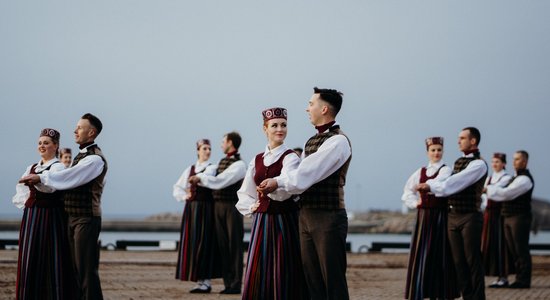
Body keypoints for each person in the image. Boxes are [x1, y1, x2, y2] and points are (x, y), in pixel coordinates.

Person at [258, 87, 352, 300]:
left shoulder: (338, 141)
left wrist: (276, 182)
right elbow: (300, 176)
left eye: (311, 104)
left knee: (332, 278)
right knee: (311, 278)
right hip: (306, 214)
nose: (307, 108)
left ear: (324, 108)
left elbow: (305, 175)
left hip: (328, 216)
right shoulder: (311, 141)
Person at [20, 113, 108, 300]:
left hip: (86, 218)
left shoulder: (95, 159)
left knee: (86, 270)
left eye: (80, 127)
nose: (75, 130)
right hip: (73, 218)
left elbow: (69, 177)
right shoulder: (82, 155)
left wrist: (41, 177)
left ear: (91, 132)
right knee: (74, 268)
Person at [236, 107, 308, 299]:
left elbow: (288, 188)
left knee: (284, 265)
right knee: (259, 265)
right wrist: (253, 206)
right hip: (262, 219)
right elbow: (245, 191)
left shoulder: (291, 157)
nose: (280, 129)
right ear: (265, 129)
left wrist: (270, 190)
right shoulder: (257, 159)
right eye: (274, 125)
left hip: (285, 219)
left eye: (283, 125)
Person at [417, 127, 488, 300]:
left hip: (470, 216)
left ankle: (477, 298)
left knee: (472, 260)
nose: (458, 141)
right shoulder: (457, 162)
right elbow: (448, 184)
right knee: (458, 262)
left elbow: (456, 182)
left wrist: (431, 186)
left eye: (462, 138)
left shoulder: (479, 164)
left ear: (473, 141)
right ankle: (467, 296)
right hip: (453, 216)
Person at [12, 128, 78, 300]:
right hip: (32, 215)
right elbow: (21, 190)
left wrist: (38, 180)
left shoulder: (58, 167)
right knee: (30, 256)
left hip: (50, 217)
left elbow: (52, 186)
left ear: (55, 146)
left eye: (46, 143)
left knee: (51, 256)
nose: (42, 146)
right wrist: (27, 202)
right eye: (40, 143)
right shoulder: (32, 167)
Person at [188, 131, 247, 294]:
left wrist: (200, 179)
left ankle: (235, 284)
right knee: (222, 245)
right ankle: (228, 283)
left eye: (223, 141)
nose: (221, 145)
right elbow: (211, 174)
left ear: (231, 143)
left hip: (231, 206)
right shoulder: (222, 162)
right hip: (218, 206)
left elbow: (222, 180)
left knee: (234, 244)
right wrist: (200, 176)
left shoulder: (239, 165)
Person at [401, 137, 459, 300]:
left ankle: (440, 292)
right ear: (428, 152)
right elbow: (407, 191)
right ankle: (422, 290)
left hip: (440, 215)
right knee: (422, 252)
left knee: (440, 252)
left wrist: (427, 187)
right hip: (424, 215)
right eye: (433, 150)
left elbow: (441, 183)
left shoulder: (446, 170)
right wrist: (416, 203)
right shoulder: (420, 172)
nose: (436, 153)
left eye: (439, 150)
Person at [172, 138, 221, 293]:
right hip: (192, 209)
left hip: (206, 209)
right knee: (193, 243)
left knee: (205, 242)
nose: (207, 151)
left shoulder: (212, 168)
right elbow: (178, 187)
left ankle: (205, 280)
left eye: (209, 149)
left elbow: (206, 179)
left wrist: (196, 183)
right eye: (204, 148)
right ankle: (199, 279)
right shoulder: (190, 169)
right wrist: (184, 196)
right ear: (198, 150)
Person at [485, 150, 534, 289]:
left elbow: (507, 194)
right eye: (514, 159)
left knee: (520, 249)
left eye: (517, 159)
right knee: (513, 249)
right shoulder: (515, 177)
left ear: (524, 161)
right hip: (509, 217)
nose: (514, 162)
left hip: (519, 217)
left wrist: (487, 190)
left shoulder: (524, 179)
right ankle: (519, 278)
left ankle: (523, 280)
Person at [481, 153, 514, 288]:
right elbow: (484, 198)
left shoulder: (507, 178)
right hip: (488, 214)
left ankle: (504, 276)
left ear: (504, 164)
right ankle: (496, 274)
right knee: (489, 244)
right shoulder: (489, 178)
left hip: (500, 215)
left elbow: (498, 191)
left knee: (501, 244)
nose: (495, 164)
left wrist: (486, 190)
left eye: (498, 162)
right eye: (493, 162)